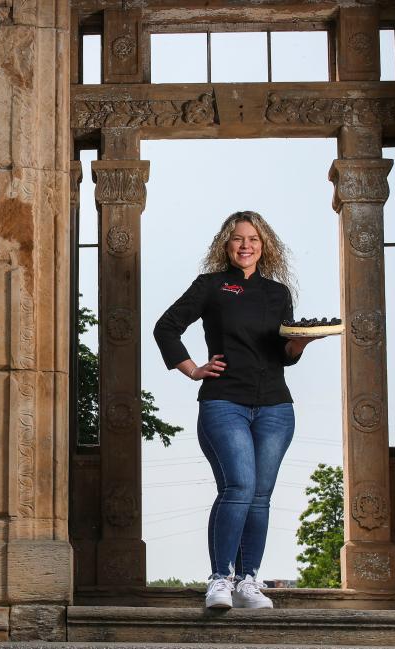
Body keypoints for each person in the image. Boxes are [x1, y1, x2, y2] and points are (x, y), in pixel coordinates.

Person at [153, 211, 322, 610]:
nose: (246, 245)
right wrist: (193, 368)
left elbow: (282, 353)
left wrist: (298, 345)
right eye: (237, 239)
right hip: (223, 401)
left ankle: (248, 582)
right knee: (240, 487)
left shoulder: (278, 293)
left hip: (275, 407)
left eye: (254, 239)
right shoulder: (211, 286)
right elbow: (166, 327)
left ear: (265, 247)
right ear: (225, 246)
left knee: (260, 496)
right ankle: (220, 579)